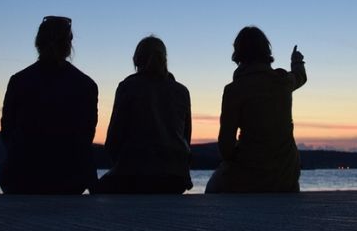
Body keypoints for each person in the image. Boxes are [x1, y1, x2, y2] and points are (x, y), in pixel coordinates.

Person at [0, 16, 98, 194]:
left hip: (21, 178)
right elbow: (86, 135)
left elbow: (7, 131)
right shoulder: (86, 85)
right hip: (70, 180)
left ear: (38, 43)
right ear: (69, 45)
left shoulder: (19, 81)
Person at [205, 26, 307, 193]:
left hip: (250, 173)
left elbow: (226, 145)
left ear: (238, 53)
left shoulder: (234, 90)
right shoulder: (283, 81)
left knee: (212, 189)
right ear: (266, 50)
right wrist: (297, 61)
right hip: (287, 174)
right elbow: (300, 77)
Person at [94, 36, 193, 194]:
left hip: (135, 175)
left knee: (97, 189)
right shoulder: (182, 91)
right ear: (164, 59)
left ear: (136, 60)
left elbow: (113, 139)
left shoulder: (127, 87)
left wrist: (120, 163)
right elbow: (185, 138)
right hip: (176, 177)